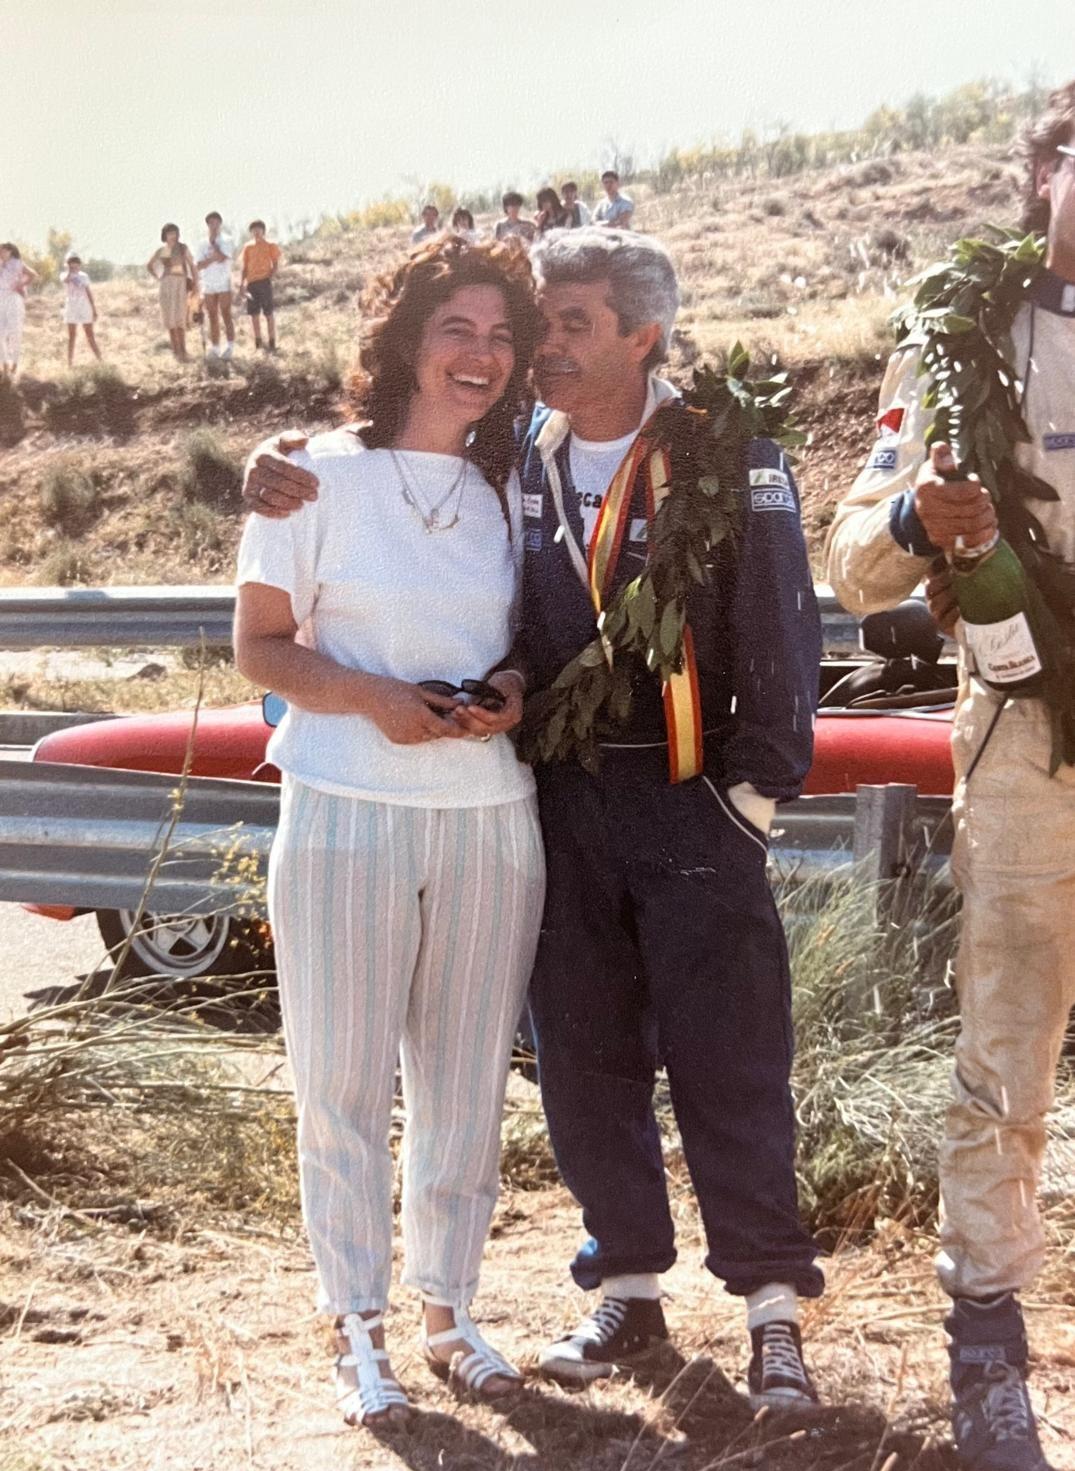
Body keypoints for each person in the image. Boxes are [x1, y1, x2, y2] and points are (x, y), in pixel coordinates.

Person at [243, 228, 825, 1409]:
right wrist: (266, 467)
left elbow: (777, 629)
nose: (527, 350)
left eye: (558, 326)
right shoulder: (502, 461)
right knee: (580, 1064)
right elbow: (320, 593)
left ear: (640, 334)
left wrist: (751, 798)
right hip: (543, 807)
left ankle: (767, 1306)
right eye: (522, 325)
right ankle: (622, 1285)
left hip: (666, 802)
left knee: (722, 1059)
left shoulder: (708, 453)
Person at [234, 236, 545, 1430]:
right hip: (345, 812)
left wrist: (509, 691)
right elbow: (259, 648)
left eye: (501, 336)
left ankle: (448, 1311)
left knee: (466, 1077)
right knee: (344, 1080)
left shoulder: (512, 488)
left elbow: (532, 636)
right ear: (407, 338)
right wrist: (374, 699)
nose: (481, 355)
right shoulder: (309, 477)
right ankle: (354, 1323)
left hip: (488, 818)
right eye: (457, 328)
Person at [826, 83, 1075, 1471]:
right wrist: (921, 517)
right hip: (1025, 749)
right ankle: (984, 1349)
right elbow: (854, 552)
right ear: (1041, 172)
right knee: (1008, 1053)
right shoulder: (962, 344)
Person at [147, 224, 196, 362]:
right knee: (170, 319)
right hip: (167, 284)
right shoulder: (163, 250)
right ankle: (176, 353)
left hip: (180, 282)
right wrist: (159, 277)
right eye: (169, 233)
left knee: (180, 318)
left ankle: (183, 351)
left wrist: (195, 284)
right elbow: (149, 265)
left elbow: (192, 266)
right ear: (165, 235)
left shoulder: (182, 248)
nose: (172, 236)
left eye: (174, 233)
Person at [195, 211, 235, 359]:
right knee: (212, 315)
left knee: (226, 313)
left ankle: (230, 347)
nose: (213, 226)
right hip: (208, 283)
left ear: (220, 223)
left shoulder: (227, 239)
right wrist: (212, 259)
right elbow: (198, 265)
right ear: (207, 224)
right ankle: (216, 347)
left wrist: (213, 247)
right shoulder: (201, 243)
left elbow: (223, 257)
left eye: (216, 222)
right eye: (211, 223)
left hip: (223, 281)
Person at [238, 220, 282, 355]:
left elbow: (275, 263)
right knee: (254, 314)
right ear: (251, 232)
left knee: (268, 313)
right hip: (251, 284)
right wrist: (242, 284)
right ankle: (258, 343)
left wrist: (270, 276)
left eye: (259, 230)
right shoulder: (248, 247)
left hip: (264, 282)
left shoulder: (270, 245)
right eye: (253, 230)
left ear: (263, 231)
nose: (256, 232)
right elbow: (245, 267)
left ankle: (272, 342)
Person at [0, 244, 37, 375]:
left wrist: (21, 284)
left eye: (3, 250)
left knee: (15, 332)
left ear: (10, 251)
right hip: (1, 300)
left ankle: (14, 364)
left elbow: (33, 274)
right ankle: (4, 363)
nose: (1, 253)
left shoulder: (17, 263)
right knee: (0, 334)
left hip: (14, 299)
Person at [60, 254, 101, 366]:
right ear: (68, 266)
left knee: (90, 335)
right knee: (72, 336)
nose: (75, 268)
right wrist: (69, 271)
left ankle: (100, 360)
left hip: (84, 305)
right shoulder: (64, 275)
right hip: (71, 306)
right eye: (72, 265)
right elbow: (66, 280)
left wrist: (94, 309)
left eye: (76, 265)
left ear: (79, 265)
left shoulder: (84, 276)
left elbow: (88, 292)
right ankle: (70, 363)